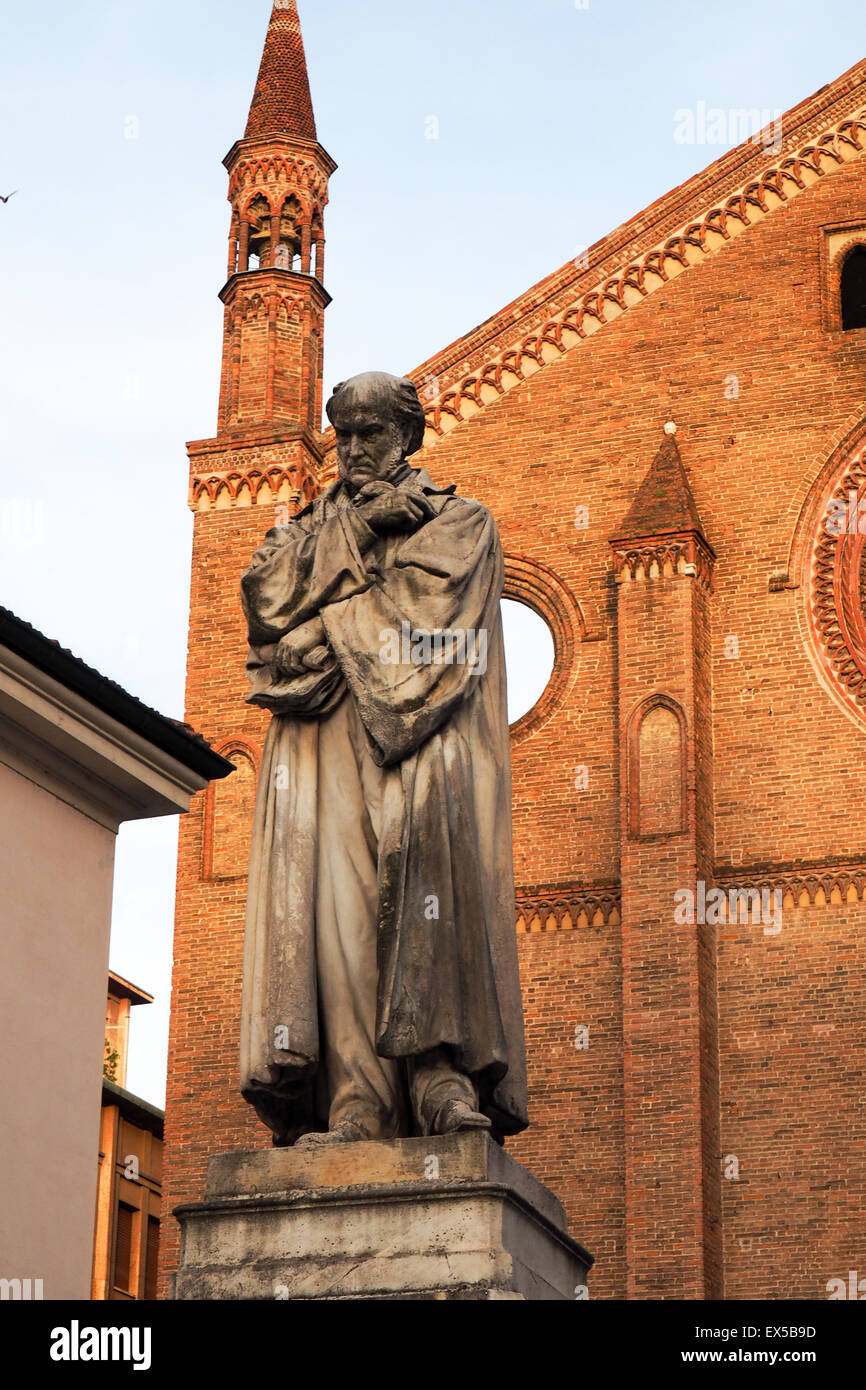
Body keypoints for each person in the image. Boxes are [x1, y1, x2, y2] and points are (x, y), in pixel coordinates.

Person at [239, 371, 528, 1147]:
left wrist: (314, 629)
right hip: (324, 748)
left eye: (373, 434)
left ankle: (440, 1083)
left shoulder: (459, 522)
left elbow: (429, 636)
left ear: (409, 437)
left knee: (427, 909)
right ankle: (355, 1103)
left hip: (423, 748)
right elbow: (265, 601)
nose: (357, 451)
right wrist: (360, 535)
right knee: (339, 917)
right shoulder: (308, 529)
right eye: (345, 436)